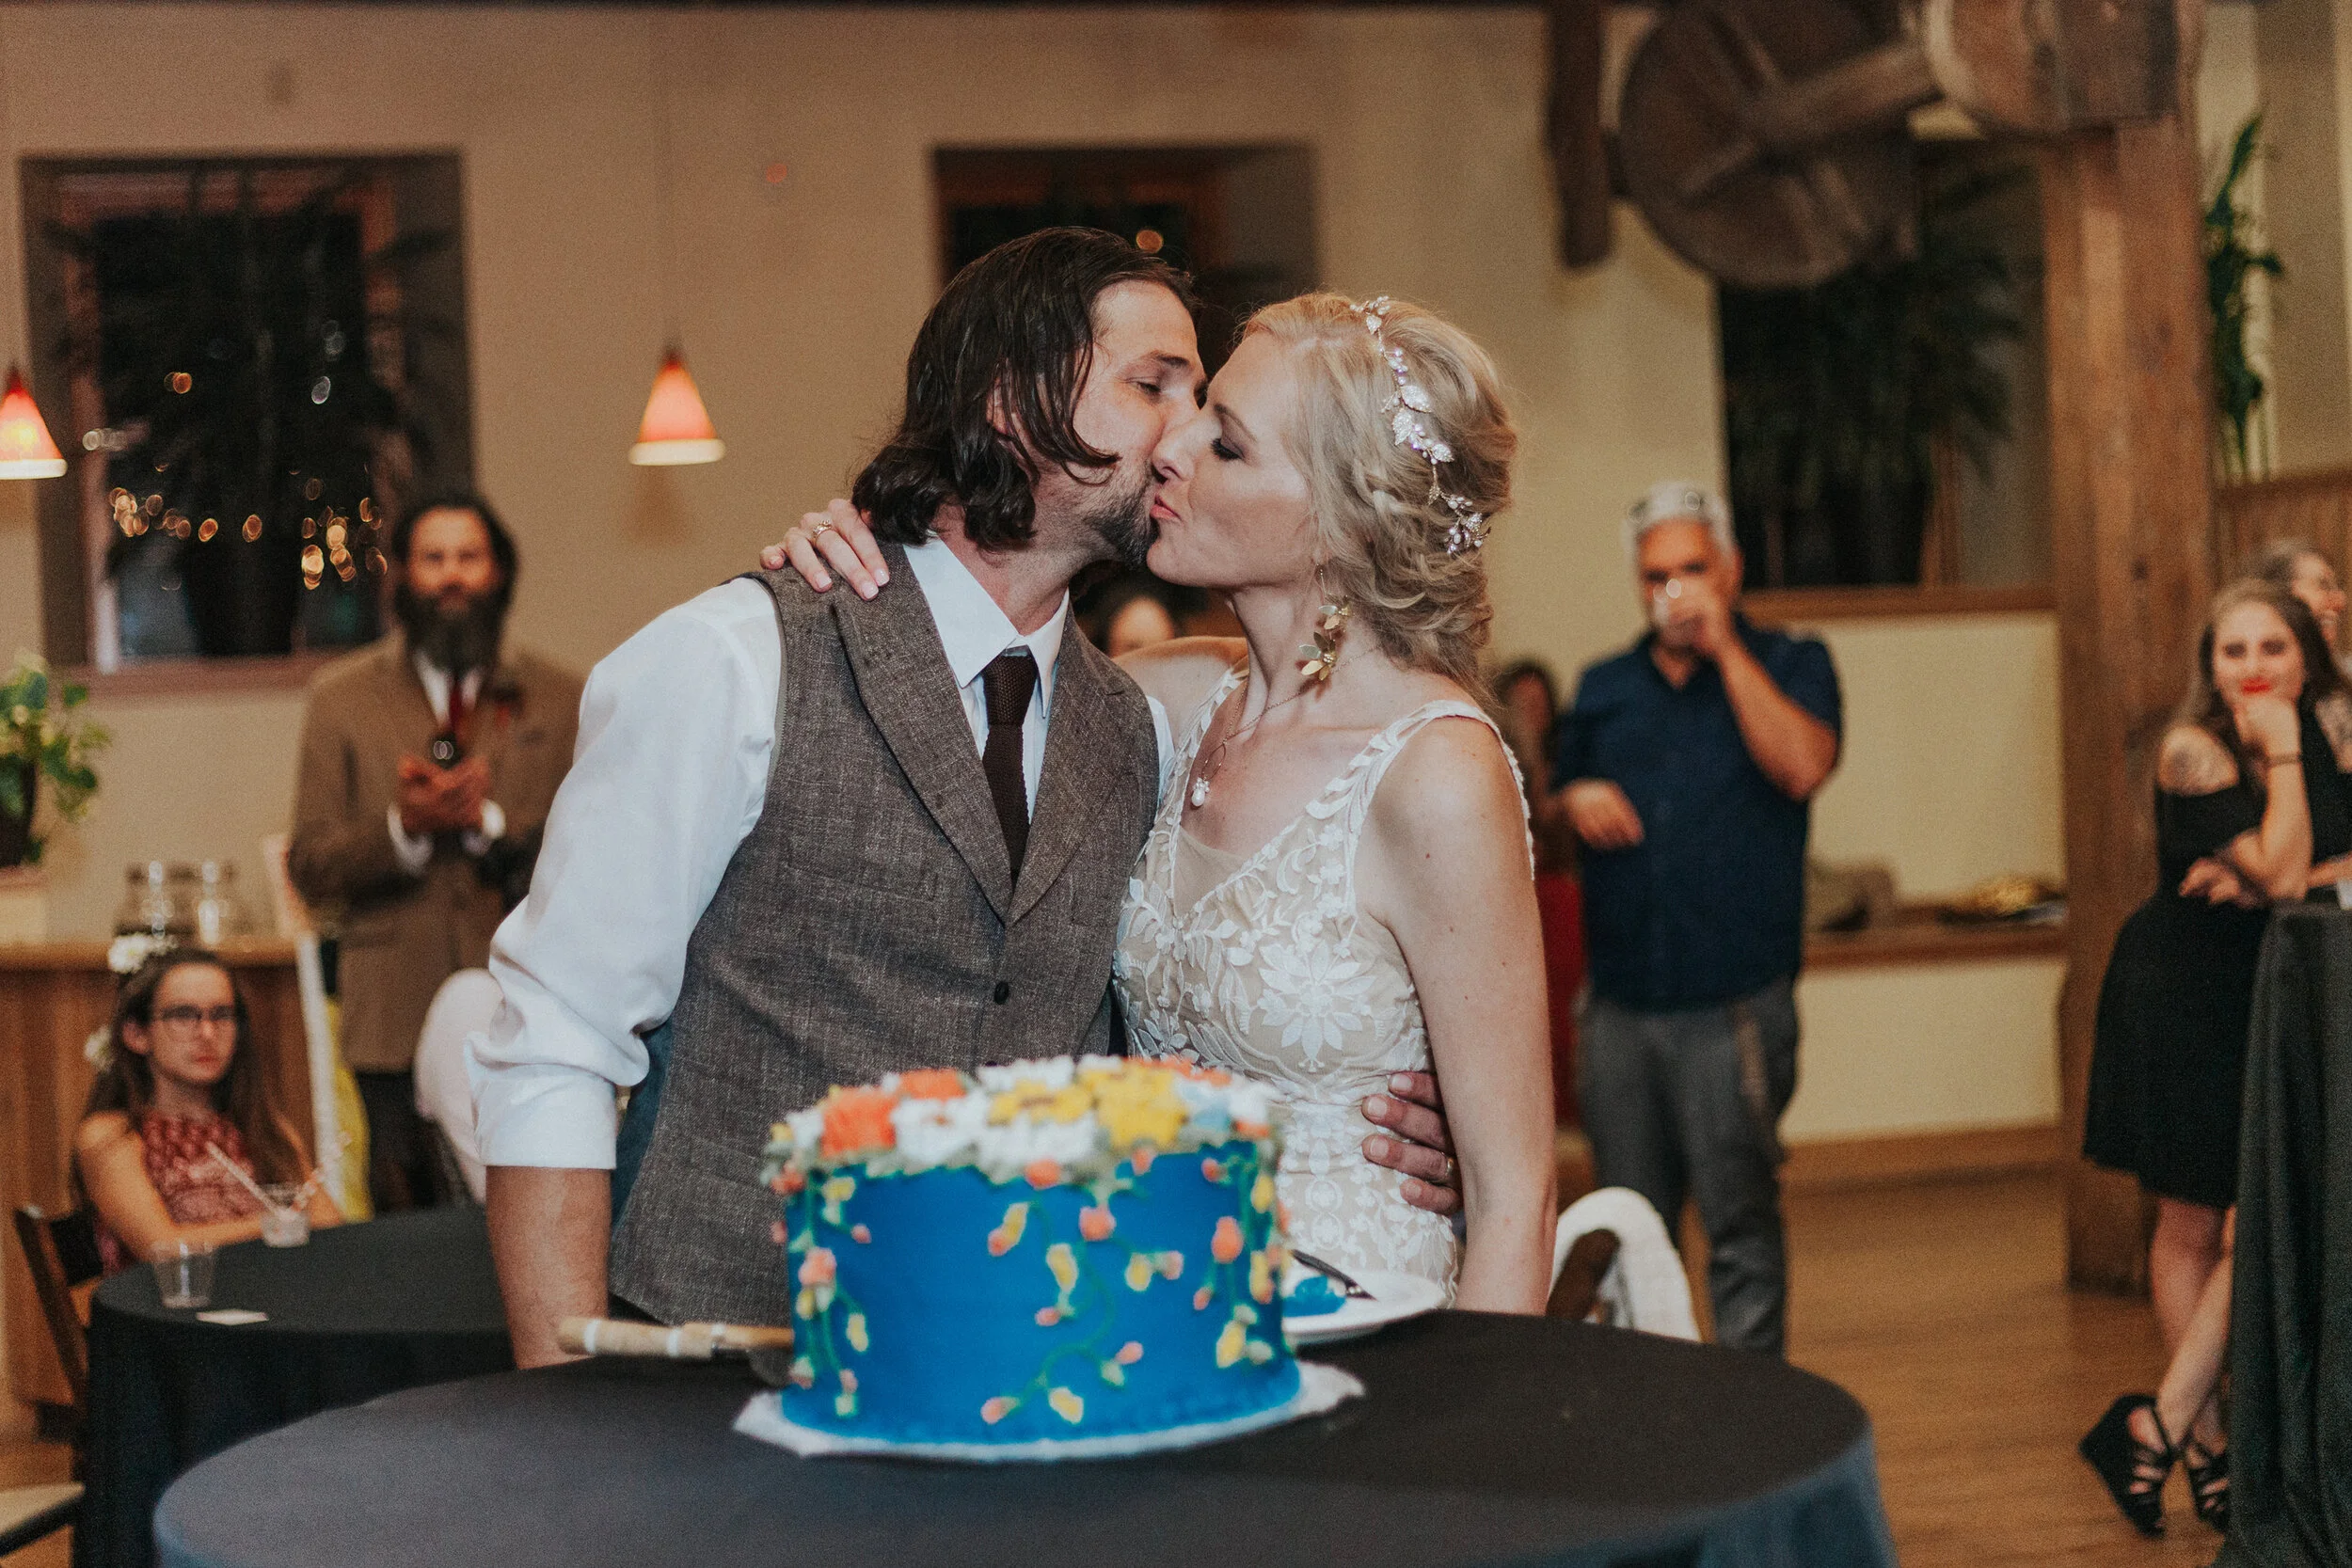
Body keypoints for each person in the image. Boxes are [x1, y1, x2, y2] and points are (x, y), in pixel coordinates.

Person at [474, 231, 1461, 1367]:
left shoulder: (1142, 724)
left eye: (1202, 403)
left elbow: (1166, 1020)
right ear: (1008, 400)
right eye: (1151, 385)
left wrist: (1399, 1110)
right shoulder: (739, 658)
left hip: (1031, 1373)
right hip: (723, 1375)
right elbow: (556, 1039)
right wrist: (562, 1400)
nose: (1188, 434)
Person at [777, 292, 1556, 1308]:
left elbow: (1516, 1196)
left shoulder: (1434, 774)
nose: (1170, 447)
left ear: (1340, 520)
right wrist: (864, 549)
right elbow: (964, 662)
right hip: (1143, 1309)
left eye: (1225, 443)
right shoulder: (1167, 699)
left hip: (1365, 1331)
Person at [2080, 579, 2352, 1537]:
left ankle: (2156, 1422)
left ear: (2305, 653)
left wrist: (2283, 868)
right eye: (2231, 651)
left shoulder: (2333, 730)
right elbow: (2285, 868)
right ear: (2209, 664)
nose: (2251, 668)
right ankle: (2198, 1440)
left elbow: (2309, 862)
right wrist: (2278, 753)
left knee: (2253, 1218)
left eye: (2270, 648)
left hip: (2273, 995)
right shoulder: (2192, 746)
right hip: (2182, 995)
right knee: (2194, 1220)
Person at [1549, 481, 1841, 1355]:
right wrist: (1575, 797)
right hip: (1622, 1006)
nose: (1671, 590)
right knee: (1629, 1229)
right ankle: (1655, 1426)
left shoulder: (1792, 663)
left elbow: (1801, 767)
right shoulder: (1603, 686)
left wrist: (1724, 649)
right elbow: (1550, 820)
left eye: (1691, 570)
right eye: (1655, 575)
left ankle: (1751, 1422)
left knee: (1741, 1222)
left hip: (1736, 1005)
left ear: (1731, 570)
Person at [289, 491, 583, 1212]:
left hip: (530, 1002)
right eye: (434, 558)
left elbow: (593, 852)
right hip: (390, 1006)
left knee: (529, 1205)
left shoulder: (560, 695)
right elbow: (311, 865)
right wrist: (405, 828)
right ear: (403, 578)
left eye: (469, 557)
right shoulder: (341, 697)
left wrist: (488, 822)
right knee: (403, 1224)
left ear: (501, 574)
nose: (452, 576)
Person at [74, 948, 342, 1273]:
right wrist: (276, 1226)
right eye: (184, 1015)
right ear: (137, 1034)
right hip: (170, 1313)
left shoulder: (261, 1127)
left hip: (273, 1300)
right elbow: (164, 1246)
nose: (207, 1034)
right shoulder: (112, 1135)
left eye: (222, 1015)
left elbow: (332, 1229)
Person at [1492, 657, 1584, 1128]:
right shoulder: (1491, 755)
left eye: (1538, 703)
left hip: (1554, 895)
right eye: (1520, 703)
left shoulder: (1568, 755)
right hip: (1509, 897)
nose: (1531, 712)